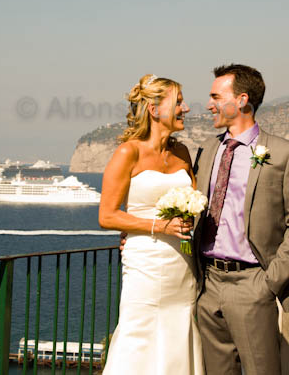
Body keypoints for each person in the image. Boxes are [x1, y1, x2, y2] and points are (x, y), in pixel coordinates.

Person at [192, 64, 289, 375]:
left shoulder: (284, 153)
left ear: (242, 100)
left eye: (216, 96)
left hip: (252, 284)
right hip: (207, 285)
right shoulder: (207, 150)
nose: (209, 105)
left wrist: (269, 282)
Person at [98, 74, 205, 375]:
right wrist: (157, 227)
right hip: (145, 263)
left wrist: (186, 217)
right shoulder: (127, 152)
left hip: (182, 262)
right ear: (155, 110)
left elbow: (194, 204)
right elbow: (107, 215)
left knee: (181, 327)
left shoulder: (182, 152)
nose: (186, 109)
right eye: (179, 103)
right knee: (140, 334)